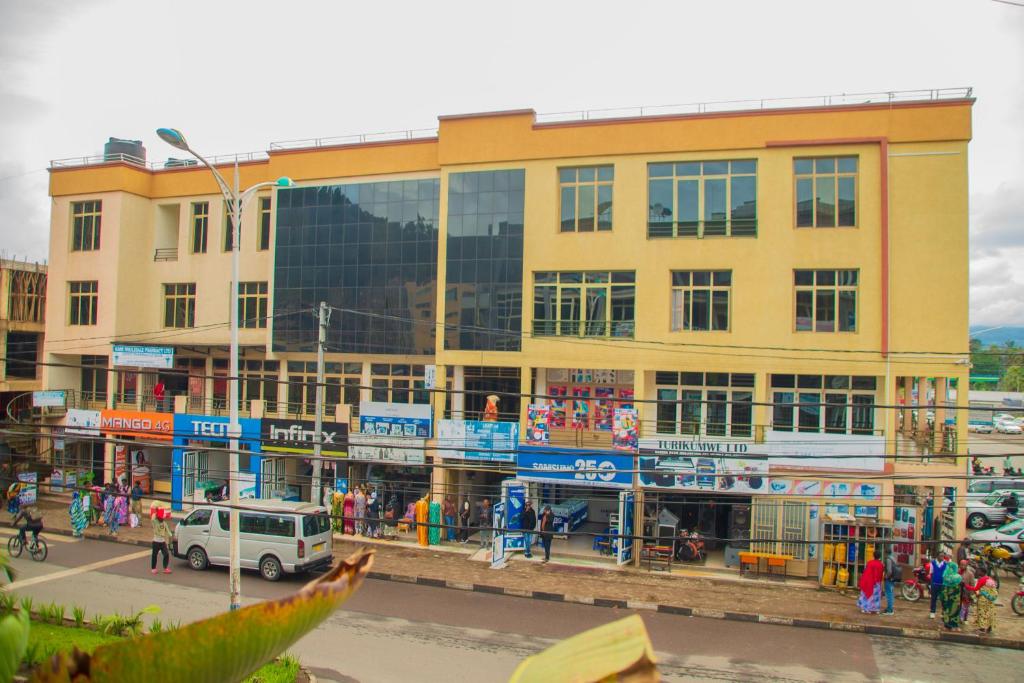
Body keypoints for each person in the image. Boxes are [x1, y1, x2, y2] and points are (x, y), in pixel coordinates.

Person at [963, 568, 999, 635]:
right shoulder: (990, 579)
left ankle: (982, 629)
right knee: (989, 613)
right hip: (990, 600)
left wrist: (966, 586)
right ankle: (989, 628)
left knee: (981, 614)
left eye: (979, 571)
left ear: (982, 572)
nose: (977, 572)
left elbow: (976, 588)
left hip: (983, 600)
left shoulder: (982, 579)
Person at [857, 549, 884, 614]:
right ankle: (875, 609)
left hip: (868, 581)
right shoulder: (881, 564)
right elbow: (880, 574)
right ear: (880, 556)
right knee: (875, 596)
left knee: (865, 595)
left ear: (873, 556)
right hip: (876, 583)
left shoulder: (870, 563)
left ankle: (864, 608)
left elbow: (866, 572)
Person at [939, 561, 963, 630]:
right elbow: (960, 587)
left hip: (946, 599)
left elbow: (942, 592)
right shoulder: (958, 577)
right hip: (954, 601)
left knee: (946, 609)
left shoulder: (945, 576)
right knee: (954, 612)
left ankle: (946, 624)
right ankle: (953, 624)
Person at [150, 506, 172, 574]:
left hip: (162, 542)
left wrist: (170, 542)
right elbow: (152, 517)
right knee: (154, 555)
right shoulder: (155, 522)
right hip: (156, 541)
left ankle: (165, 568)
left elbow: (169, 533)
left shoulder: (164, 523)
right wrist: (156, 512)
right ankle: (153, 568)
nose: (162, 519)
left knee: (166, 554)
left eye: (163, 517)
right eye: (161, 517)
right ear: (158, 517)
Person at [928, 553, 947, 619]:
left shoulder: (945, 564)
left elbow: (946, 574)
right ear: (937, 556)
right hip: (934, 584)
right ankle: (932, 612)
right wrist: (931, 584)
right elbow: (931, 573)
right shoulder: (933, 563)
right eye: (941, 556)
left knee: (943, 599)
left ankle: (943, 613)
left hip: (942, 584)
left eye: (943, 556)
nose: (942, 557)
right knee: (933, 598)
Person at [882, 548, 899, 616]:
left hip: (889, 579)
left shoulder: (888, 559)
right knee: (891, 593)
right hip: (893, 579)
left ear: (885, 553)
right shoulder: (893, 558)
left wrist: (886, 577)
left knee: (889, 594)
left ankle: (890, 610)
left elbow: (889, 571)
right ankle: (889, 608)